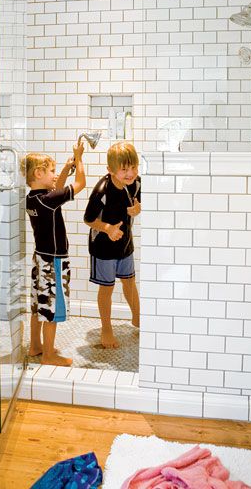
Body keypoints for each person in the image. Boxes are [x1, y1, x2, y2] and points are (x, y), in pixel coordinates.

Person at [20, 144, 85, 366]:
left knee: (39, 304)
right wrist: (79, 159)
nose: (54, 175)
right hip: (54, 261)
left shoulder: (33, 199)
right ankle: (48, 354)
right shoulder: (48, 201)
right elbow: (80, 184)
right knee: (51, 308)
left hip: (40, 258)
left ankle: (35, 346)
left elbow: (56, 186)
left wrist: (68, 166)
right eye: (50, 171)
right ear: (38, 173)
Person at [84, 141, 141, 348]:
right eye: (124, 169)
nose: (130, 173)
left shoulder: (136, 183)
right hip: (103, 247)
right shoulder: (102, 190)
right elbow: (88, 219)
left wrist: (138, 209)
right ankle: (106, 330)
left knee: (130, 282)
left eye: (133, 167)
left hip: (125, 243)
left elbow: (138, 203)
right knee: (107, 288)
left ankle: (138, 318)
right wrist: (108, 228)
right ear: (110, 170)